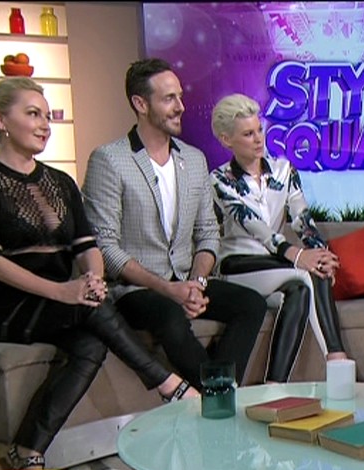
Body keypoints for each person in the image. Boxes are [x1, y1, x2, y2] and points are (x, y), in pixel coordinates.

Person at [0, 77, 199, 470]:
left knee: (90, 345)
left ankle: (27, 450)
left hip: (60, 302)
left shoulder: (60, 182)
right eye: (33, 114)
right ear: (0, 119)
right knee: (89, 311)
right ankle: (167, 384)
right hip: (2, 305)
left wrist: (93, 280)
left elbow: (88, 247)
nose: (44, 125)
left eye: (47, 116)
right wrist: (64, 292)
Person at [82, 59, 267, 387]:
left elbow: (208, 233)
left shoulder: (193, 159)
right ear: (140, 104)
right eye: (169, 98)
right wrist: (168, 290)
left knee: (251, 304)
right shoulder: (109, 160)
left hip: (185, 279)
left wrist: (196, 282)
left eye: (180, 97)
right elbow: (106, 247)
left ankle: (218, 391)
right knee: (169, 314)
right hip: (136, 290)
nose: (180, 106)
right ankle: (220, 395)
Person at [210, 93, 349, 383]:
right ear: (226, 140)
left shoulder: (284, 171)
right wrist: (299, 256)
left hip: (274, 265)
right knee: (308, 272)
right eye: (248, 134)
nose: (258, 139)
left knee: (299, 292)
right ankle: (339, 364)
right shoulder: (219, 180)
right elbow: (254, 226)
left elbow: (302, 218)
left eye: (259, 129)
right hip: (237, 265)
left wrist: (321, 252)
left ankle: (274, 386)